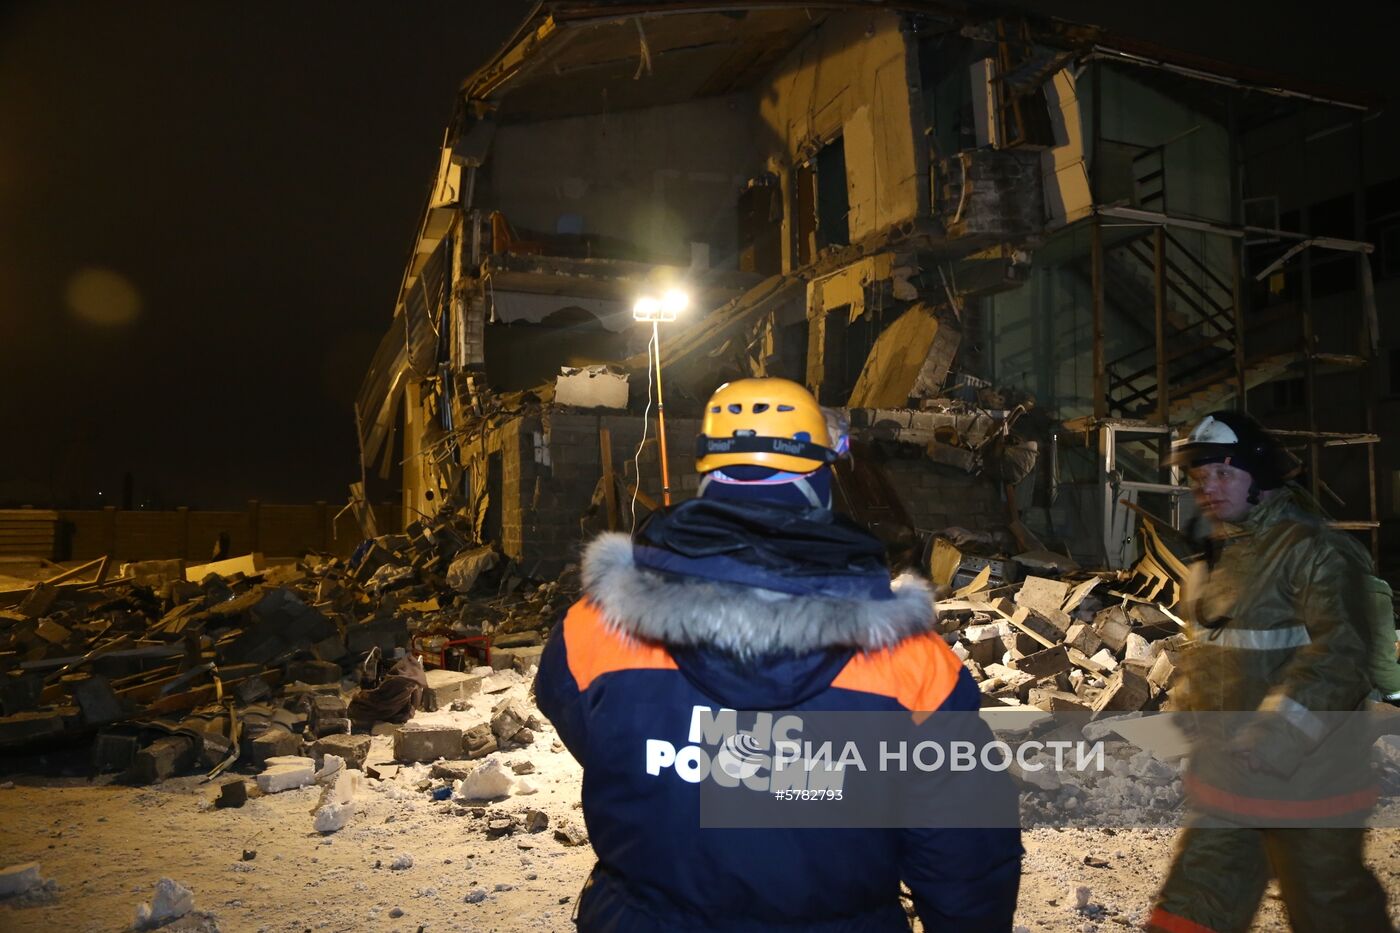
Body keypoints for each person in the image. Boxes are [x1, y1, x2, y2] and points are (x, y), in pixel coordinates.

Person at [534, 377, 1022, 932]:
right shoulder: (910, 658)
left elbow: (594, 738)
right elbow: (966, 849)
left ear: (708, 469)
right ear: (819, 473)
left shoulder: (595, 625)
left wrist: (692, 764)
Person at [1148, 410, 1391, 933]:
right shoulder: (1211, 560)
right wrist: (1190, 712)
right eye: (1197, 477)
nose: (1207, 488)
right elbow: (1216, 654)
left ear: (1258, 476)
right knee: (1187, 914)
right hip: (1229, 784)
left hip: (1313, 787)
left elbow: (1340, 658)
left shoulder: (1316, 552)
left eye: (1222, 473)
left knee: (1332, 911)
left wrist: (1275, 736)